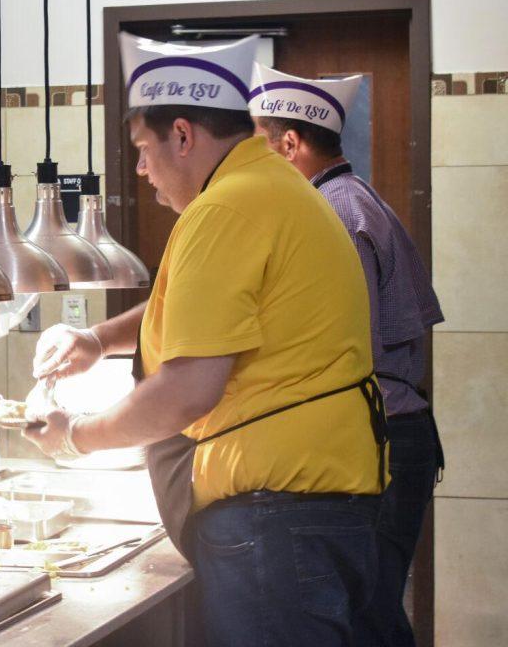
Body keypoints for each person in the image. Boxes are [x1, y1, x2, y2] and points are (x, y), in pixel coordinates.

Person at [26, 34, 387, 646]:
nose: (141, 169)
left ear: (184, 135)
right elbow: (207, 312)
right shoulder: (268, 187)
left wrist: (74, 436)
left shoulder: (225, 209)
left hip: (276, 515)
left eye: (144, 148)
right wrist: (96, 340)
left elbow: (186, 391)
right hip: (312, 507)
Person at [251, 64, 444, 647]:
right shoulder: (354, 197)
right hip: (396, 434)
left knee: (364, 619)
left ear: (289, 143)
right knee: (375, 612)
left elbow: (340, 341)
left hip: (382, 438)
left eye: (257, 147)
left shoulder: (332, 211)